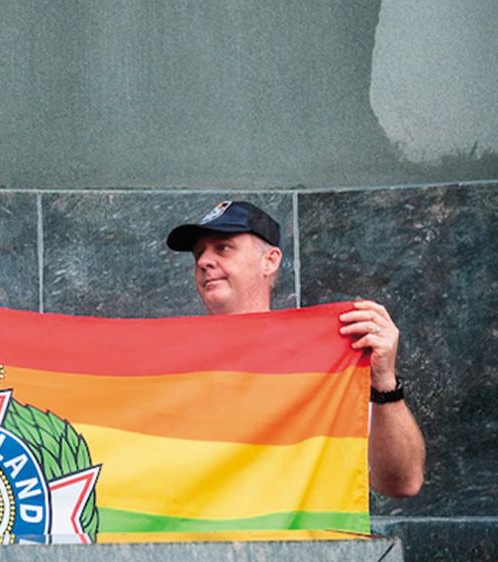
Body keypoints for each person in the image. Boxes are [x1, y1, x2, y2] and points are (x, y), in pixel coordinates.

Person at [165, 200, 425, 498]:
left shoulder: (326, 357)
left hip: (297, 543)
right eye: (199, 254)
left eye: (223, 248)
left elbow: (403, 483)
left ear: (270, 260)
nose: (203, 261)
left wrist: (385, 385)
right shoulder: (171, 364)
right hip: (198, 542)